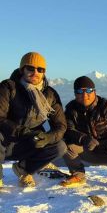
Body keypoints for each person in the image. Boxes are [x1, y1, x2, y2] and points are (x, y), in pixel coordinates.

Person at [0, 52, 67, 187]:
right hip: (5, 141)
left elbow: (61, 126)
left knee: (60, 147)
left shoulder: (50, 94)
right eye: (30, 68)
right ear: (22, 69)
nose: (35, 72)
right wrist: (24, 132)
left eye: (40, 69)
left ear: (44, 72)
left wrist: (48, 138)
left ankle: (24, 169)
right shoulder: (8, 87)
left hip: (30, 141)